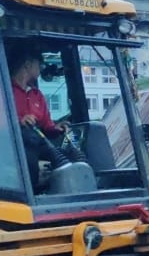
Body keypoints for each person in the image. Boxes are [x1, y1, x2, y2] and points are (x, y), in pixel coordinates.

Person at [6, 49, 88, 178]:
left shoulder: (36, 95)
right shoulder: (2, 89)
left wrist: (56, 128)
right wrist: (19, 121)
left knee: (74, 155)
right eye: (39, 64)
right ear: (28, 64)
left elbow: (46, 125)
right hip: (12, 146)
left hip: (39, 143)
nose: (41, 68)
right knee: (29, 149)